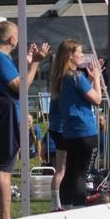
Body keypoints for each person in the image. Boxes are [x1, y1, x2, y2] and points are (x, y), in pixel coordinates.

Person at [0, 20, 49, 219]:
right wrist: (35, 63)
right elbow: (21, 86)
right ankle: (5, 218)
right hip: (5, 117)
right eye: (17, 35)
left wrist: (27, 62)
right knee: (4, 168)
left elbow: (9, 81)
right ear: (11, 38)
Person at [53, 38, 102, 208]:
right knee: (82, 173)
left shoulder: (62, 78)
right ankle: (80, 207)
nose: (82, 55)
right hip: (85, 132)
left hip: (70, 132)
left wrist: (89, 79)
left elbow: (79, 95)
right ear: (70, 56)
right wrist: (96, 78)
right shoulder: (76, 76)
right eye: (79, 52)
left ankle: (66, 206)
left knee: (70, 172)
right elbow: (97, 99)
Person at [45, 81, 67, 211]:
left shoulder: (57, 80)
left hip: (57, 127)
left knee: (60, 169)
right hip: (63, 128)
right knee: (62, 170)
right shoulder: (66, 81)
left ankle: (56, 204)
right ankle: (58, 204)